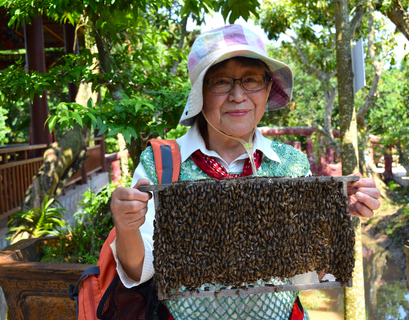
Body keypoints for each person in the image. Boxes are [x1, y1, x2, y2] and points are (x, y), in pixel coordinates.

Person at [111, 24, 380, 320]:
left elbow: (304, 277)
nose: (238, 95)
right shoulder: (160, 163)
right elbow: (140, 270)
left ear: (267, 89)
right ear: (201, 93)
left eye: (251, 80)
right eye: (221, 82)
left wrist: (334, 215)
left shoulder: (291, 164)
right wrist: (126, 227)